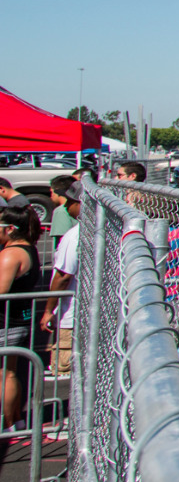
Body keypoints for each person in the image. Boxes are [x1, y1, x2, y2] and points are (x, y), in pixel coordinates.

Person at [0, 207, 43, 427]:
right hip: (17, 320)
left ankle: (8, 424)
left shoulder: (11, 254)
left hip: (6, 322)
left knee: (4, 375)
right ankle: (14, 420)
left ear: (9, 228)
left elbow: (1, 290)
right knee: (8, 373)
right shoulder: (28, 248)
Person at [42, 182, 82, 376]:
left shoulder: (74, 236)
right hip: (83, 310)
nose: (66, 207)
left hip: (71, 312)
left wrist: (48, 310)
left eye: (70, 202)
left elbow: (63, 276)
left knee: (63, 368)